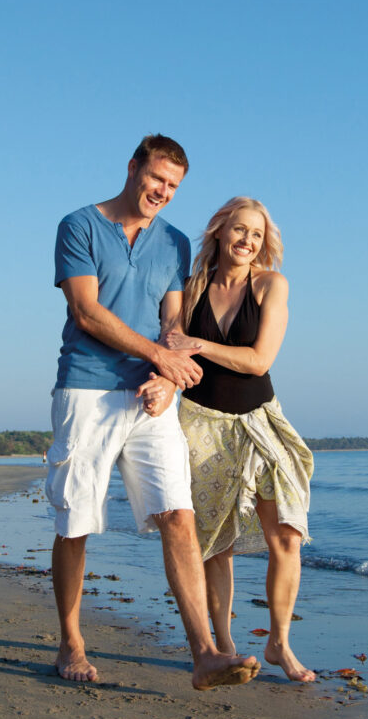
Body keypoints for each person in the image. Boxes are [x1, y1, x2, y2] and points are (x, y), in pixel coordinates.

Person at [48, 136, 260, 690]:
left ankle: (205, 653)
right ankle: (70, 642)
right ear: (133, 168)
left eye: (172, 187)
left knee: (179, 514)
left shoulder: (173, 244)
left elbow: (172, 323)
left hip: (149, 396)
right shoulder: (79, 226)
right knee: (77, 522)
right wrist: (161, 357)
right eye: (156, 180)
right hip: (87, 392)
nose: (162, 193)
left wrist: (167, 376)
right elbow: (86, 311)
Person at [140, 196, 317, 682]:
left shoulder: (270, 285)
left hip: (260, 419)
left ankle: (279, 643)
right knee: (213, 543)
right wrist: (164, 380)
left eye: (256, 235)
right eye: (239, 230)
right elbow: (169, 346)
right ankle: (222, 645)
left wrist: (199, 345)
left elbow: (259, 360)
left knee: (287, 533)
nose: (247, 241)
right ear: (219, 231)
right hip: (201, 424)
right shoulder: (191, 287)